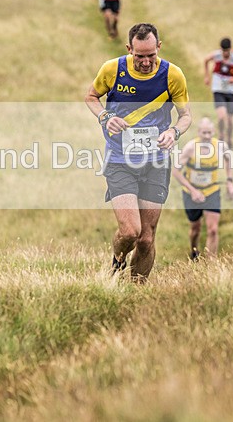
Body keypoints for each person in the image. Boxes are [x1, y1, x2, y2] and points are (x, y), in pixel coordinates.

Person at [84, 22, 192, 282]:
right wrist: (105, 116)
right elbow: (91, 97)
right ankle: (116, 263)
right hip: (120, 160)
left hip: (156, 162)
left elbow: (186, 115)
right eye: (139, 56)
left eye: (151, 56)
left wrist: (174, 132)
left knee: (146, 237)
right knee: (131, 231)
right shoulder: (113, 69)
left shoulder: (172, 75)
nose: (145, 62)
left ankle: (136, 289)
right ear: (129, 49)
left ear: (159, 48)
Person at [172, 117, 233, 261]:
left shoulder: (220, 146)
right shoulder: (190, 148)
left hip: (211, 191)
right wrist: (193, 191)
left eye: (209, 133)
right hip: (191, 193)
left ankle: (210, 263)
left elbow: (228, 159)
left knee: (213, 230)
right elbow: (175, 171)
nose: (207, 136)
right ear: (199, 132)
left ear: (213, 132)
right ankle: (194, 252)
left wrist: (230, 181)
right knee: (195, 228)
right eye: (204, 133)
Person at [204, 37, 233, 149]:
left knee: (230, 120)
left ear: (230, 49)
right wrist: (207, 76)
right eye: (223, 51)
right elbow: (206, 60)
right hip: (218, 90)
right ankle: (221, 137)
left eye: (227, 51)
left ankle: (229, 139)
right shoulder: (216, 55)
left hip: (230, 91)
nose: (225, 53)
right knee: (222, 116)